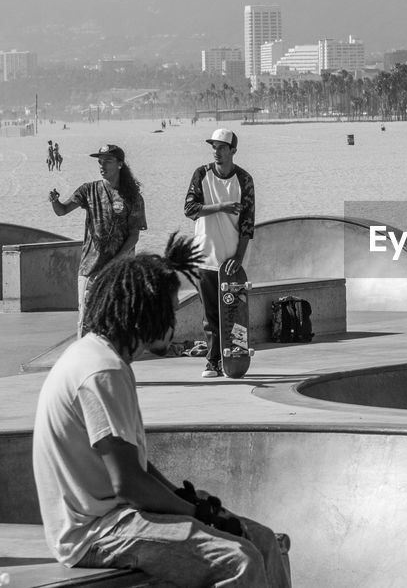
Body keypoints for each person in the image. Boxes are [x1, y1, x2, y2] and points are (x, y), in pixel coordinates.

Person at [32, 234, 290, 587]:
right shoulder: (100, 370)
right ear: (146, 311)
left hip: (120, 518)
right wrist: (197, 514)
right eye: (169, 311)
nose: (173, 323)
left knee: (260, 539)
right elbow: (128, 483)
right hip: (96, 531)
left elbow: (135, 464)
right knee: (238, 559)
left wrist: (183, 498)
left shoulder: (105, 361)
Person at [50, 144, 147, 334]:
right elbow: (62, 211)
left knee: (119, 324)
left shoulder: (133, 197)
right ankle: (86, 362)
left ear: (120, 164)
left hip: (121, 271)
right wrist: (54, 201)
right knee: (86, 323)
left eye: (108, 161)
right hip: (91, 269)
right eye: (100, 162)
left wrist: (116, 261)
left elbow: (134, 235)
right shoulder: (89, 190)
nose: (102, 165)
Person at [184, 129, 256, 378]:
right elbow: (190, 208)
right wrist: (220, 207)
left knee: (234, 313)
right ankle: (213, 361)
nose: (217, 151)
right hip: (204, 256)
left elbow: (248, 224)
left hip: (230, 261)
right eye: (214, 146)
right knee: (210, 315)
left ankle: (233, 358)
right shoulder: (201, 174)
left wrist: (239, 258)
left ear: (233, 151)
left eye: (222, 147)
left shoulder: (244, 180)